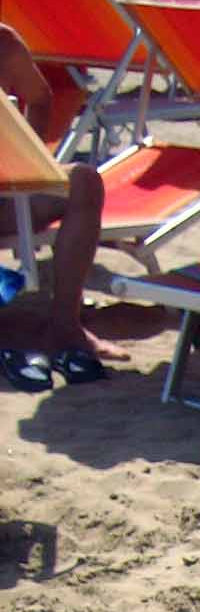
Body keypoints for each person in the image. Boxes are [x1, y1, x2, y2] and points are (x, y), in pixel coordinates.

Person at [0, 23, 126, 386]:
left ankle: (65, 325)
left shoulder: (4, 43)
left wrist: (29, 164)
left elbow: (40, 98)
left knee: (83, 182)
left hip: (6, 199)